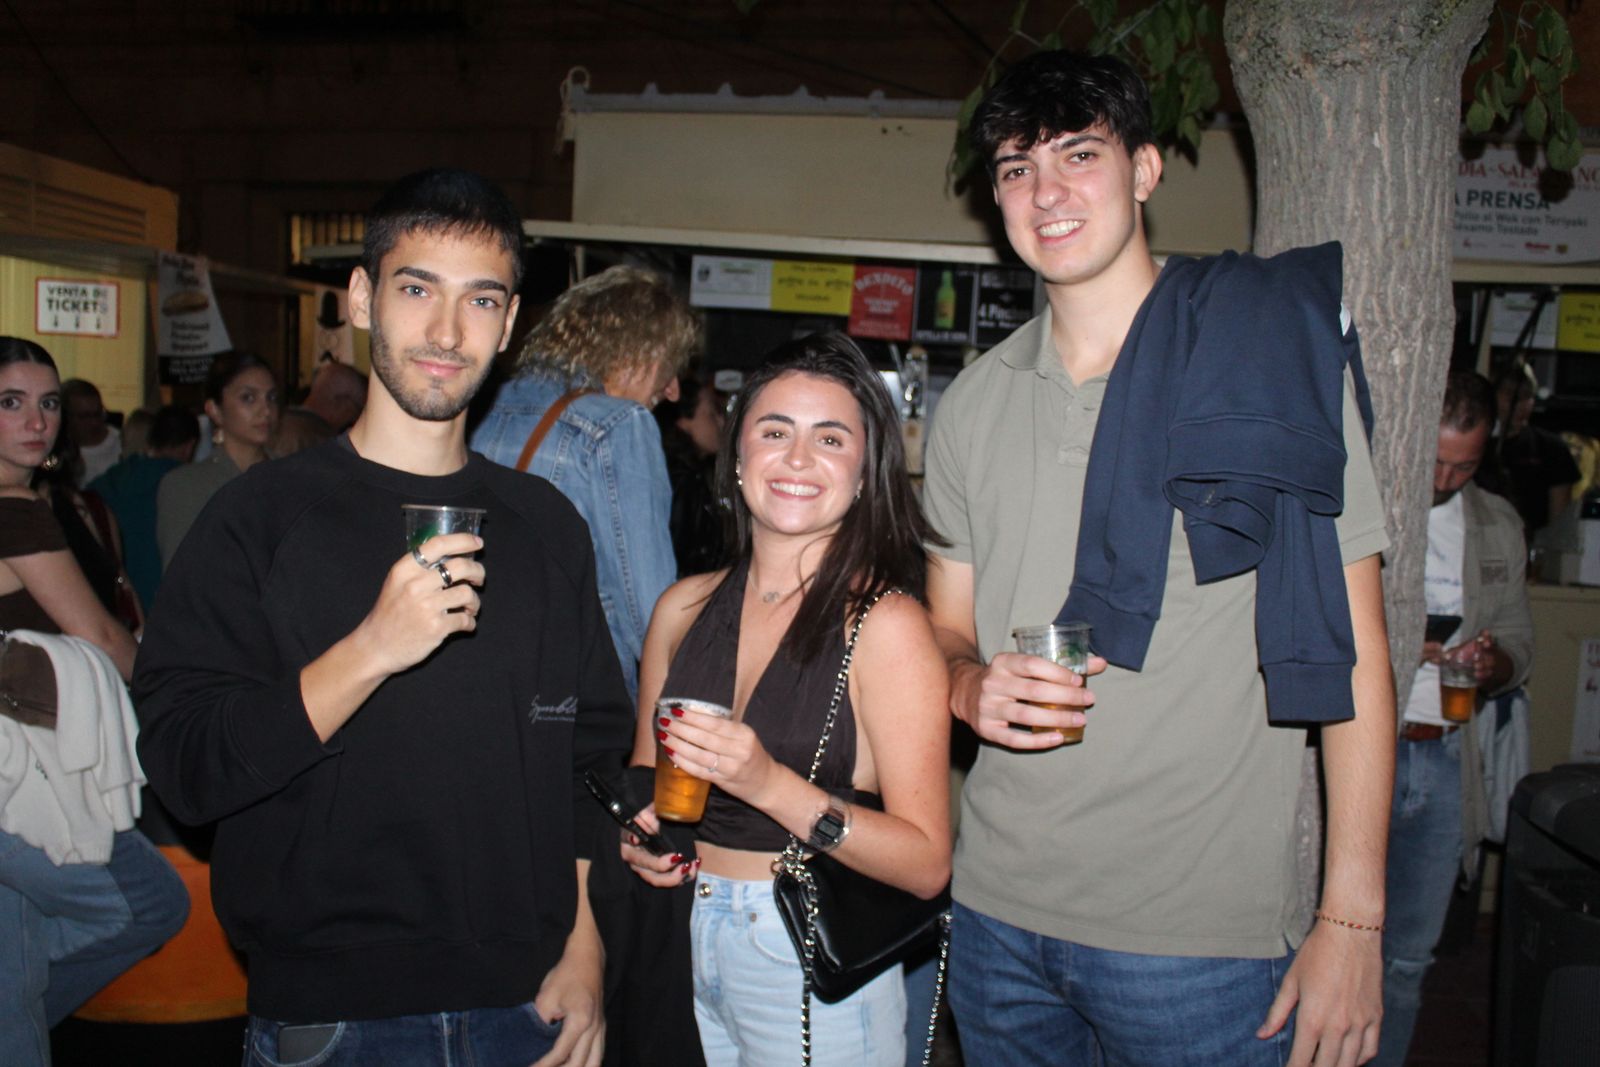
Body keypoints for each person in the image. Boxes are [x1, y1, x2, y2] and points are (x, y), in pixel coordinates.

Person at [920, 52, 1395, 1067]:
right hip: (999, 913)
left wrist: (1352, 919)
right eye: (1014, 167)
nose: (1045, 192)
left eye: (1078, 154)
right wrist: (966, 689)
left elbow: (1351, 646)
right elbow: (944, 626)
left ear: (1144, 168)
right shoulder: (973, 403)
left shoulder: (1261, 353)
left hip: (1198, 943)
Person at [132, 169, 633, 1067]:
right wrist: (369, 650)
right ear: (362, 299)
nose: (446, 332)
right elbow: (186, 765)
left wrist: (587, 945)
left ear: (511, 323)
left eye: (481, 299)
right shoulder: (260, 520)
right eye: (416, 289)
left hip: (530, 1012)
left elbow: (591, 759)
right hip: (333, 1023)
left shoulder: (547, 526)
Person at [622, 333, 951, 1066]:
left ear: (865, 472)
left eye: (830, 438)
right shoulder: (679, 609)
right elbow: (647, 783)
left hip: (805, 953)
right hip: (679, 934)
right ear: (738, 458)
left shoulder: (886, 624)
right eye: (775, 431)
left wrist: (769, 784)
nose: (798, 459)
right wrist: (642, 838)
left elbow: (928, 863)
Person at [0, 337, 188, 1067]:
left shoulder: (33, 503)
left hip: (23, 777)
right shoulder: (16, 512)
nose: (36, 420)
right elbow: (103, 634)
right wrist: (176, 696)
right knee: (149, 902)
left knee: (13, 974)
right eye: (10, 402)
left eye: (47, 403)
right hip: (24, 779)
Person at [1373, 371, 1532, 1067]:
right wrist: (1403, 644)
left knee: (1407, 960)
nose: (1444, 476)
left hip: (1444, 757)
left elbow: (1521, 645)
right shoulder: (1374, 506)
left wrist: (1490, 660)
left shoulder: (1497, 522)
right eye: (1435, 459)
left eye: (1463, 464)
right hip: (1364, 750)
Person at [471, 265, 697, 699]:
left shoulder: (484, 403)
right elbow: (649, 611)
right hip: (574, 691)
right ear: (633, 353)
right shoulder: (618, 424)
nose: (671, 390)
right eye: (668, 367)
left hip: (483, 672)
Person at [156, 352, 278, 566]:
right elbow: (181, 578)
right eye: (248, 398)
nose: (266, 410)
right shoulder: (185, 485)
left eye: (271, 397)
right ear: (214, 409)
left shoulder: (293, 476)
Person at [89, 405, 199, 614]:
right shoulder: (191, 486)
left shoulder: (108, 481)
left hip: (114, 605)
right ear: (190, 446)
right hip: (167, 609)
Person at [1478, 359, 1580, 541]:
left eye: (1527, 397)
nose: (1521, 405)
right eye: (1510, 396)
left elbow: (1559, 521)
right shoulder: (1477, 446)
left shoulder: (1552, 449)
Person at [655, 375, 726, 576]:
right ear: (684, 421)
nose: (721, 422)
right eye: (712, 413)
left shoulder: (693, 475)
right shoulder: (678, 479)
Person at [269, 358, 368, 457]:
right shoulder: (323, 441)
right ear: (342, 403)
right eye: (358, 410)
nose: (356, 419)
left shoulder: (273, 422)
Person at [59, 378, 121, 487]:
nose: (94, 423)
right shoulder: (58, 453)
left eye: (97, 414)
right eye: (84, 416)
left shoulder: (122, 443)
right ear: (65, 417)